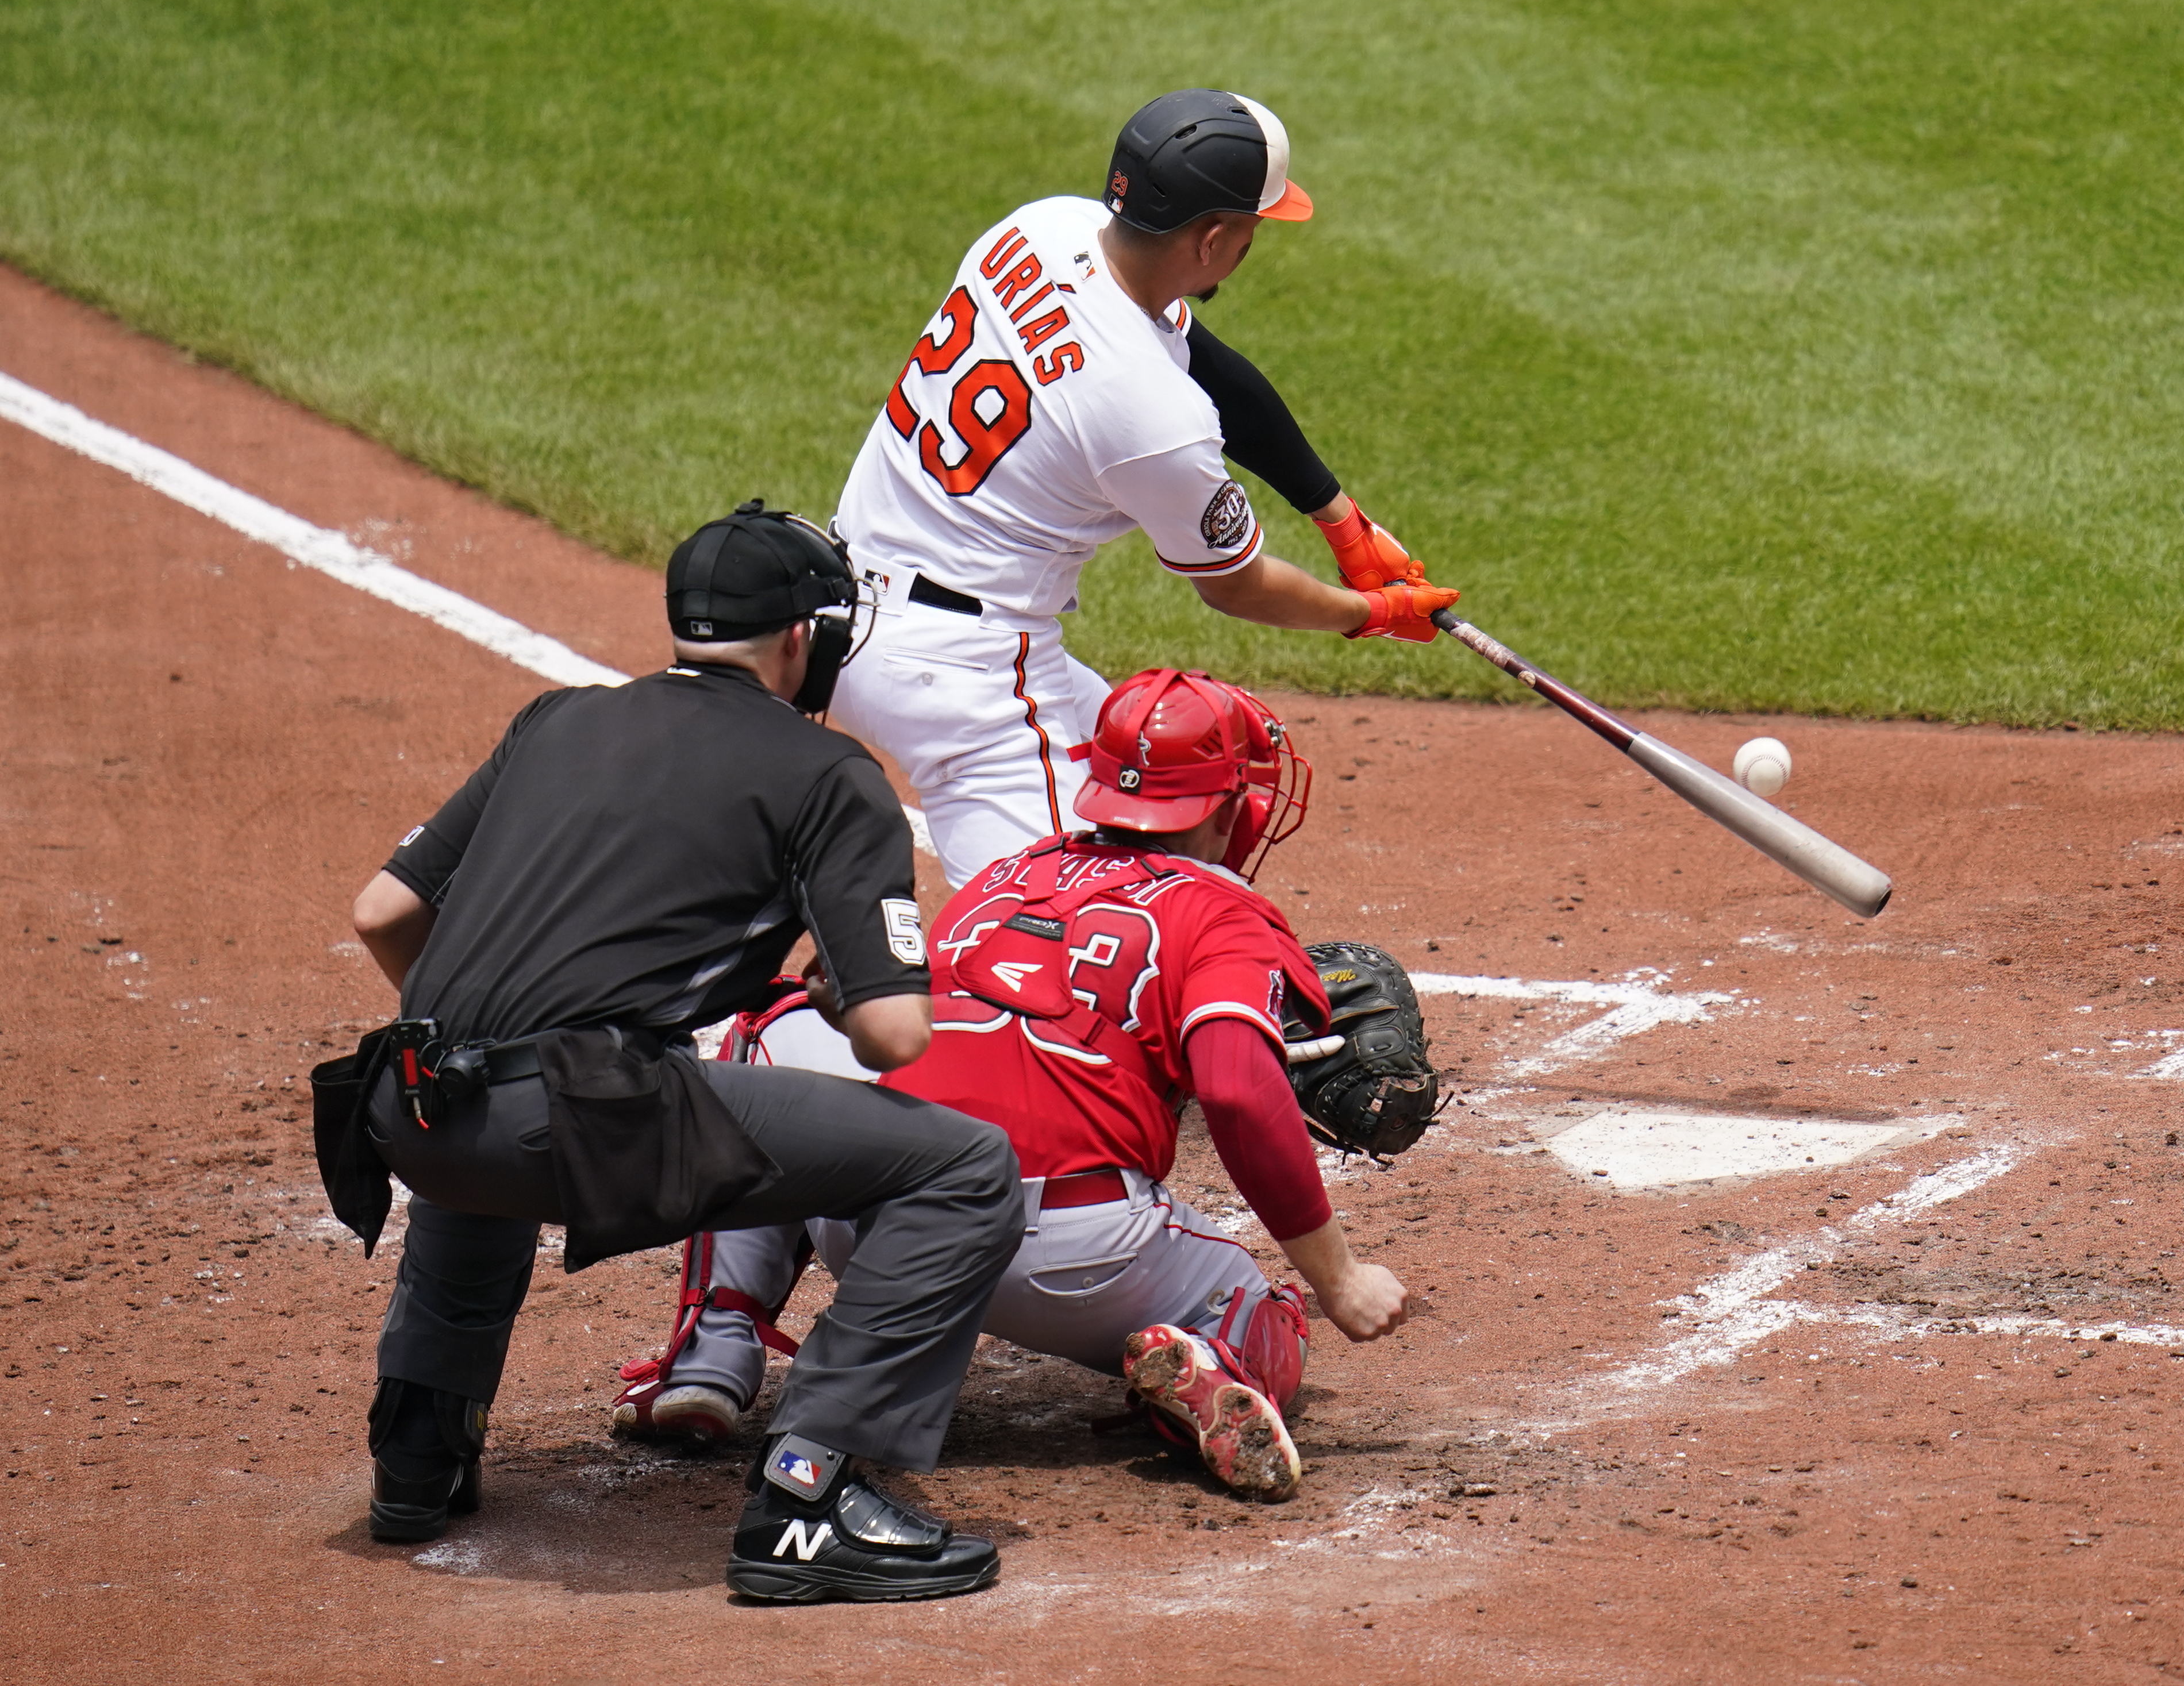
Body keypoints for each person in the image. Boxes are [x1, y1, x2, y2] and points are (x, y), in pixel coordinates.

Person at [336, 502, 1023, 1603]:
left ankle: (417, 1458)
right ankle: (809, 1495)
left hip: (405, 1108)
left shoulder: (553, 719)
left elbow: (382, 913)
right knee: (966, 1169)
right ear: (802, 638)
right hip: (572, 1121)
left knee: (492, 1083)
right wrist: (846, 990)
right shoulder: (828, 774)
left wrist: (486, 1040)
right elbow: (897, 1038)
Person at [614, 668, 1413, 1500]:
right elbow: (1240, 1091)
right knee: (1257, 1301)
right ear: (1222, 811)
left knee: (768, 1038)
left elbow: (866, 999)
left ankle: (711, 1356)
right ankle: (1210, 1358)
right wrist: (1340, 1281)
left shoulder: (996, 882)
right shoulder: (1223, 913)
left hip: (878, 1229)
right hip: (1080, 1264)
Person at [825, 87, 1460, 884]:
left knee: (1165, 778)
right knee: (1053, 933)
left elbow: (1215, 366)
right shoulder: (1155, 418)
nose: (1254, 244)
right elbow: (1239, 588)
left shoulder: (1042, 228)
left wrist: (1342, 521)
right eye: (1254, 230)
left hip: (837, 596)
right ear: (1215, 237)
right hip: (964, 677)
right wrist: (1369, 614)